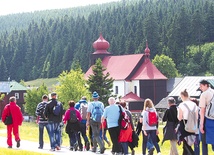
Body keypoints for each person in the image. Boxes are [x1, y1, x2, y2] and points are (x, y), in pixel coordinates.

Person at [177, 89, 198, 155]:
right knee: (188, 143)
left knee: (186, 144)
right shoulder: (194, 104)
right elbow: (197, 117)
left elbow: (179, 118)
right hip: (194, 124)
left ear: (182, 96)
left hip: (184, 124)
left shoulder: (182, 105)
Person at [199, 79, 214, 154]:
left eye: (201, 86)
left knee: (204, 141)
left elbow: (202, 110)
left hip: (207, 120)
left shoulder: (204, 94)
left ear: (206, 85)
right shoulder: (213, 91)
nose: (200, 88)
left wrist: (201, 124)